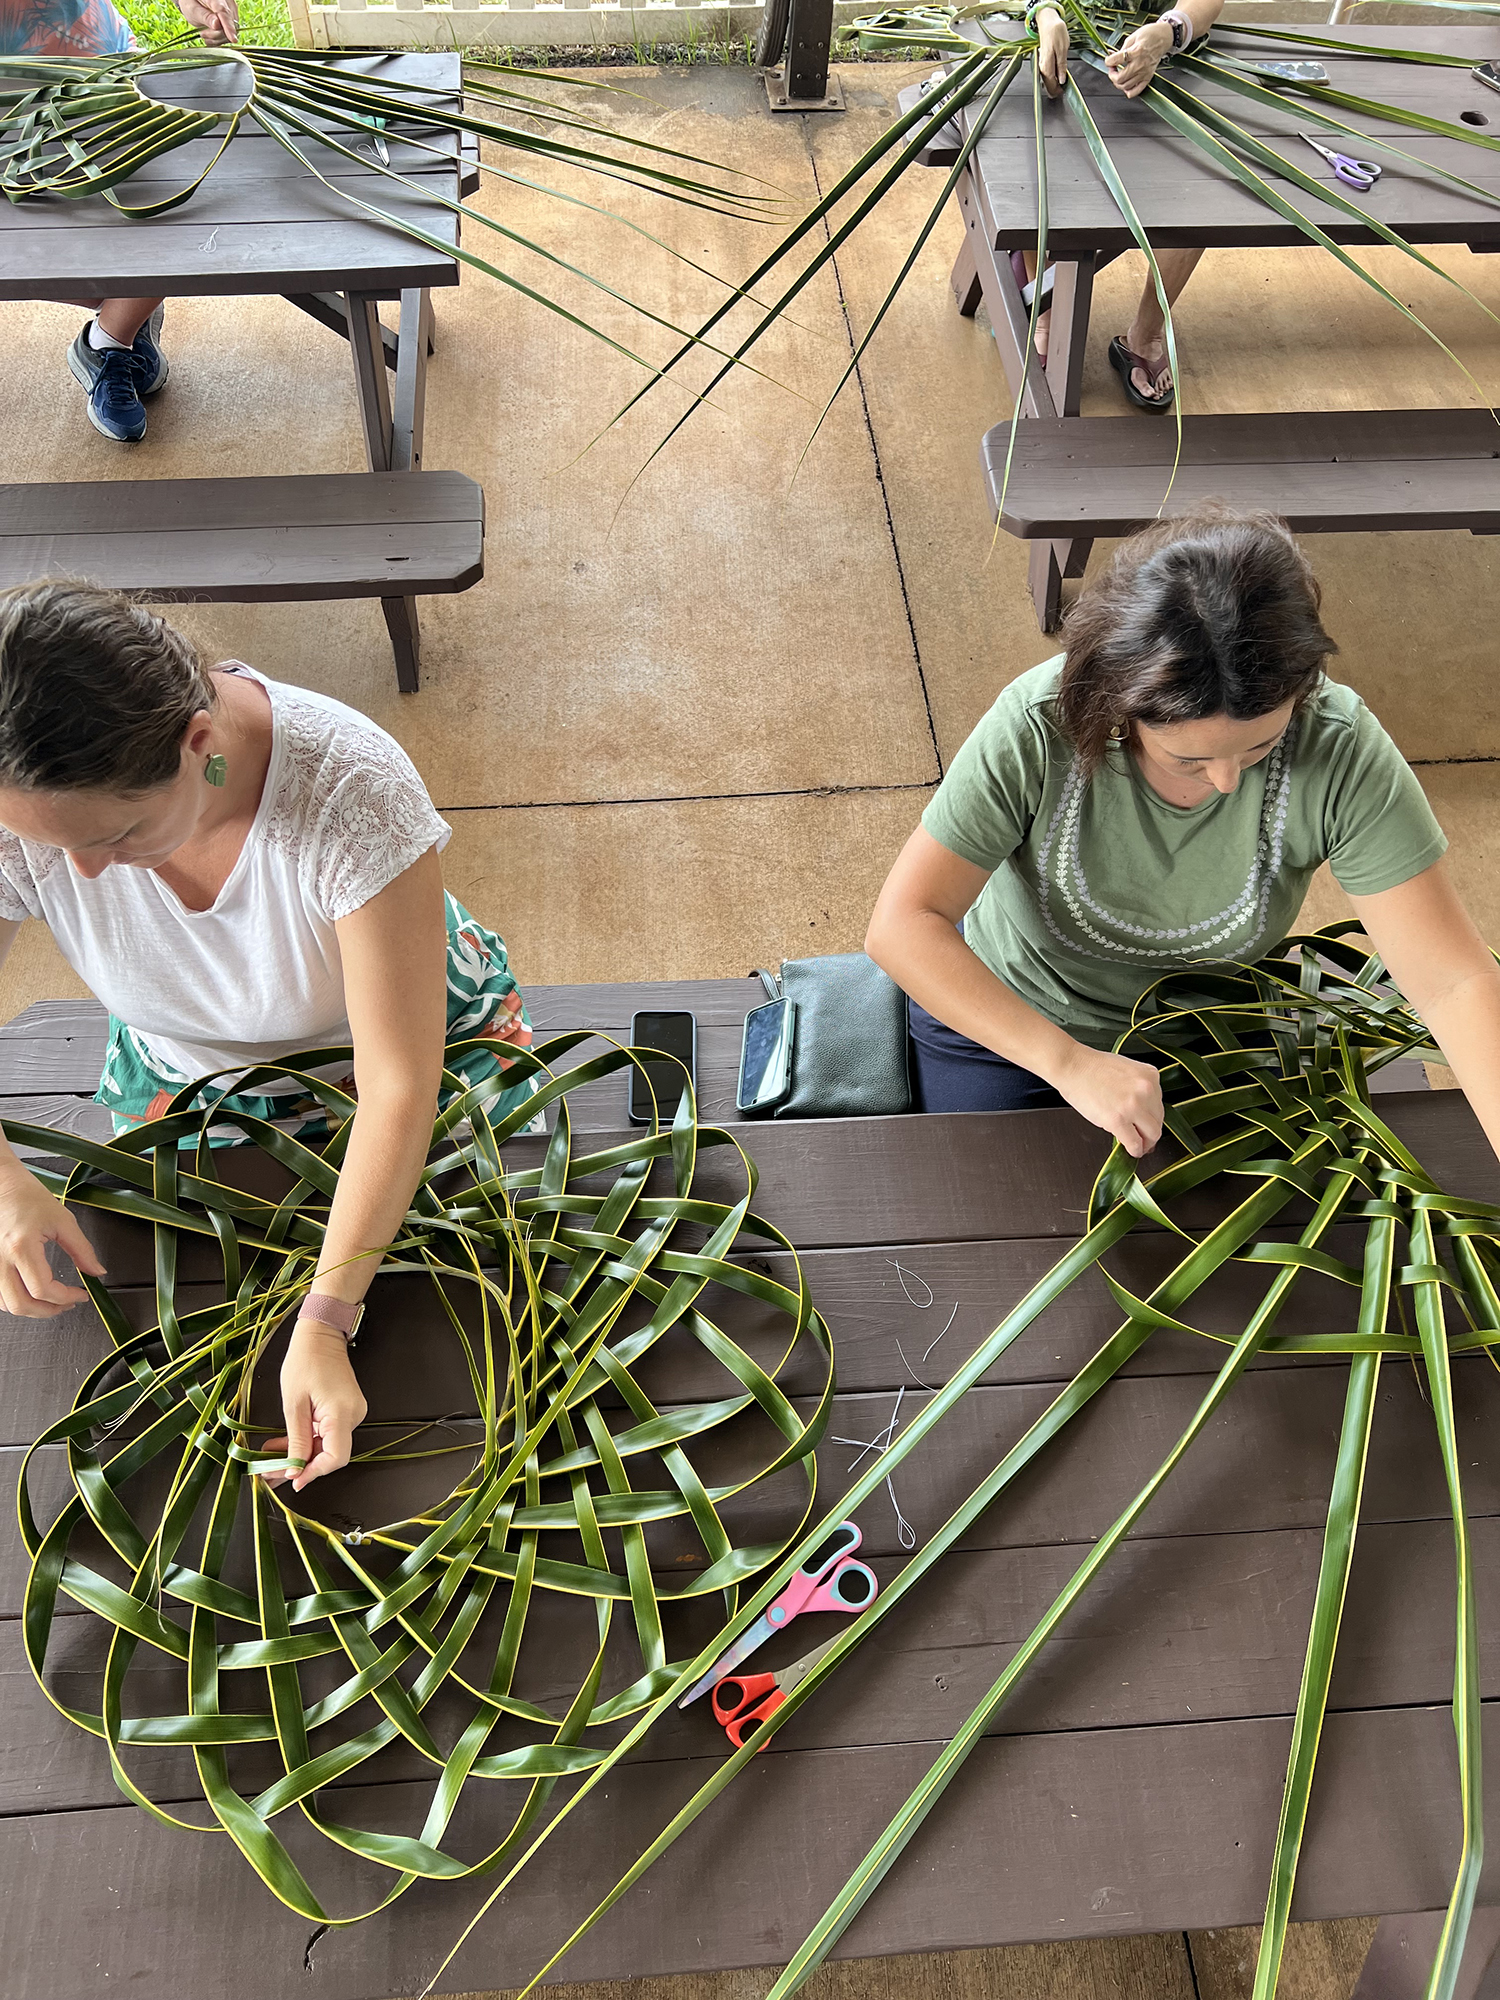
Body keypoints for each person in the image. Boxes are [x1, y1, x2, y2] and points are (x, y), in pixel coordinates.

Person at [0, 581, 537, 1491]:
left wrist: (327, 1322)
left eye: (117, 834)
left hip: (395, 1054)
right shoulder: (30, 810)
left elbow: (399, 1084)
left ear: (197, 746)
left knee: (459, 1308)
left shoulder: (350, 793)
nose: (78, 873)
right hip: (190, 1085)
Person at [866, 507, 1500, 1167]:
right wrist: (1068, 1063)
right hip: (1014, 1023)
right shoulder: (1035, 728)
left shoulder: (1341, 750)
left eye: (1260, 746)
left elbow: (1454, 982)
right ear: (1118, 705)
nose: (1226, 782)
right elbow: (905, 923)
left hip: (1211, 1030)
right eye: (1189, 760)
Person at [4, 0, 239, 441]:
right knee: (30, 254)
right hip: (10, 113)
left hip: (102, 82)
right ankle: (126, 308)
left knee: (185, 202)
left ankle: (111, 340)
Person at [1022, 0, 1223, 410]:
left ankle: (1146, 334)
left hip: (1168, 62)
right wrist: (1045, 12)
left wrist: (1168, 32)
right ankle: (1044, 314)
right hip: (1063, 45)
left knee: (1199, 189)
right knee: (1030, 164)